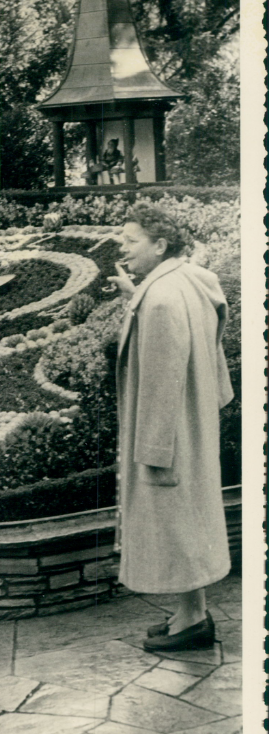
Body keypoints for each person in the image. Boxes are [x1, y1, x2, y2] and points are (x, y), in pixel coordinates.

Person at [107, 203, 234, 652]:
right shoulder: (186, 282)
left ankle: (195, 620)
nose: (122, 247)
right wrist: (134, 296)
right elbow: (209, 338)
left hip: (171, 433)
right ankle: (188, 611)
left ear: (160, 245)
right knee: (188, 522)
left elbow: (161, 383)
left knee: (177, 523)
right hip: (193, 422)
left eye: (131, 240)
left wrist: (154, 451)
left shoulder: (160, 299)